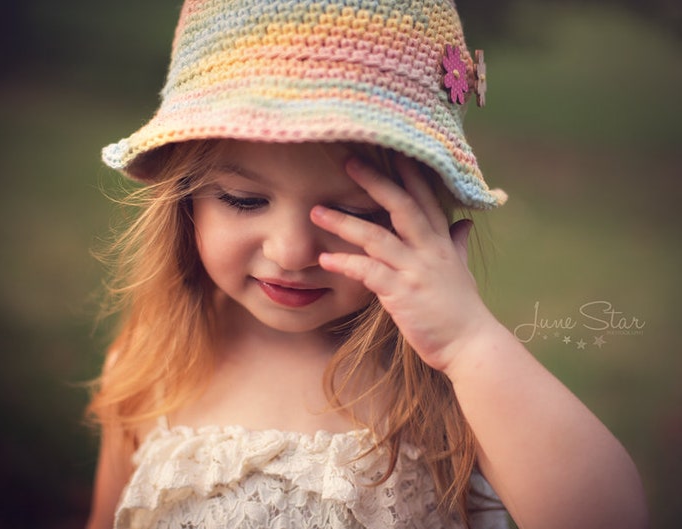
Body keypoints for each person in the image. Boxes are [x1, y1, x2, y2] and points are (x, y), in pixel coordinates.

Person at [85, 1, 649, 528]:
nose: (291, 252)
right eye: (244, 200)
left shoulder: (447, 385)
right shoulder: (153, 361)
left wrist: (468, 343)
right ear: (184, 200)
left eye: (351, 212)